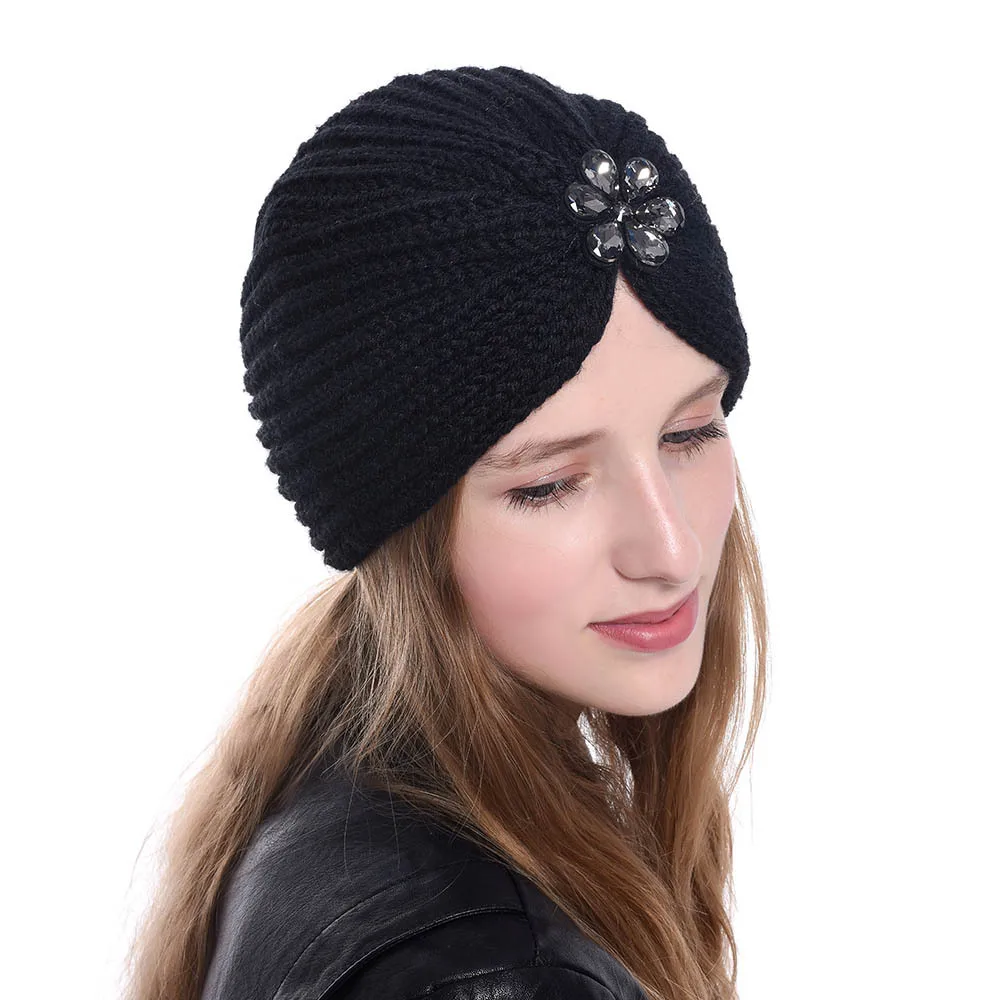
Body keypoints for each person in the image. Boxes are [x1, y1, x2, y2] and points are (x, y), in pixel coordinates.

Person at [121, 64, 769, 1000]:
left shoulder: (328, 797)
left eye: (691, 433)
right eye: (549, 485)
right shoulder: (496, 967)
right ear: (398, 524)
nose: (671, 552)